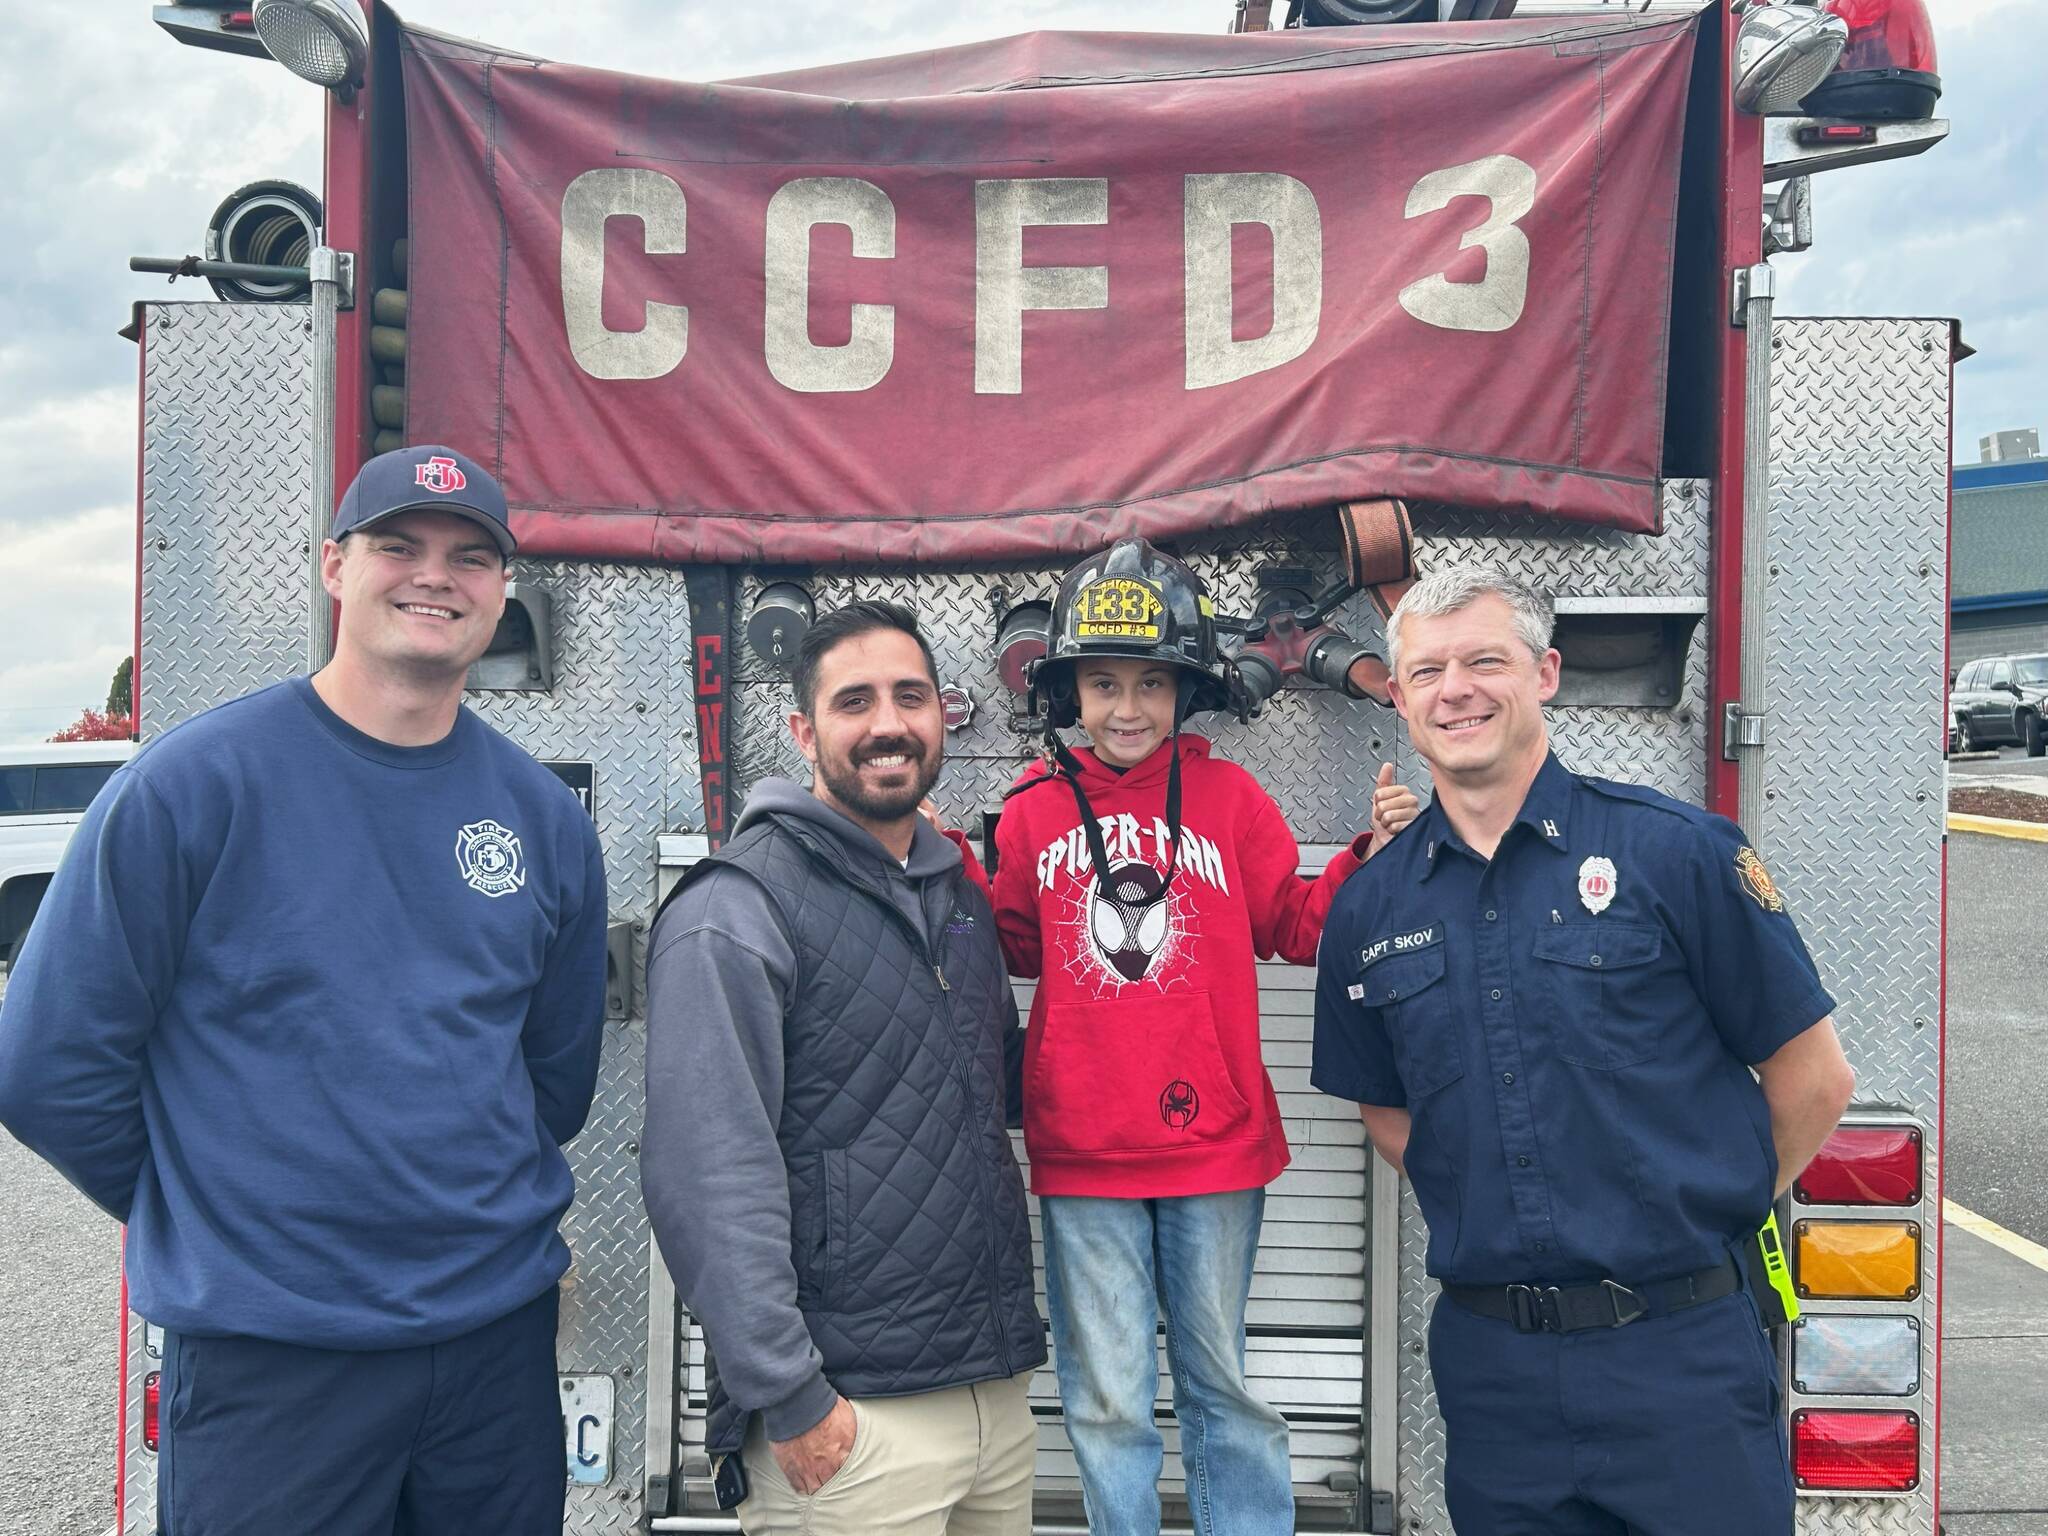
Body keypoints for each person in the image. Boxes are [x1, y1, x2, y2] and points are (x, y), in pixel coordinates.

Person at [0, 444, 610, 1536]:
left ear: (501, 591)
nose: (437, 576)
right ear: (335, 568)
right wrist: (214, 1212)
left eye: (471, 557)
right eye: (398, 547)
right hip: (272, 1365)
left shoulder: (540, 817)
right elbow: (47, 1067)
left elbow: (552, 1081)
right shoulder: (194, 786)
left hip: (490, 1355)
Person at [1311, 564, 1857, 1536]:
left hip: (1681, 1352)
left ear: (1545, 673)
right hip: (1495, 1374)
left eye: (1485, 659)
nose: (1455, 690)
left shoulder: (1673, 855)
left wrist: (1693, 1209)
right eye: (1428, 671)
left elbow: (1811, 1077)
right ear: (1398, 700)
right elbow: (1391, 1118)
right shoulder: (1368, 905)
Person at [973, 537, 1417, 1536]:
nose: (1126, 708)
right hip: (1081, 1151)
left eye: (1150, 683)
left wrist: (1369, 859)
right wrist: (946, 864)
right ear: (1066, 693)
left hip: (1213, 1150)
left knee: (1221, 1384)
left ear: (1187, 690)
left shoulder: (1228, 801)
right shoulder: (1033, 816)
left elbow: (1297, 926)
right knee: (1104, 1398)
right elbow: (1011, 948)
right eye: (1102, 683)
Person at [642, 600, 1045, 1536]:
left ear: (944, 715)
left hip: (993, 1398)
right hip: (850, 1428)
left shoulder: (956, 898)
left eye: (910, 696)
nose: (887, 724)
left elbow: (1001, 1093)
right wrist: (791, 1397)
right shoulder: (738, 907)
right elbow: (706, 1175)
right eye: (853, 701)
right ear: (802, 730)